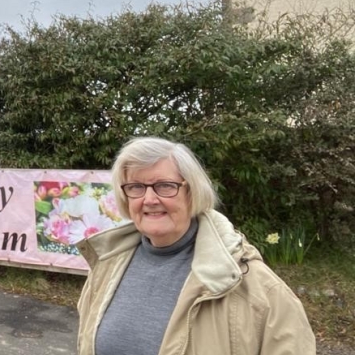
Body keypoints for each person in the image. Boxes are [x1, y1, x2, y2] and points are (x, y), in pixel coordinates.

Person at [76, 136, 315, 355]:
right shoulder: (106, 265)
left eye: (165, 186)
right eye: (136, 187)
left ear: (192, 191)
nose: (149, 199)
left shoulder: (257, 288)